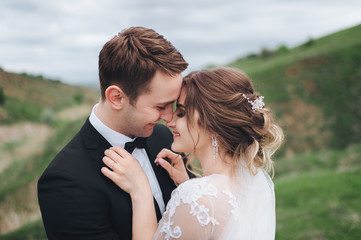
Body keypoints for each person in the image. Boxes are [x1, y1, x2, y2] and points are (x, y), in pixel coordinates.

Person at [37, 26, 188, 240]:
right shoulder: (64, 182)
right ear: (116, 97)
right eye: (160, 106)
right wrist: (141, 193)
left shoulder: (165, 138)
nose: (169, 117)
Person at [102, 67, 284, 240]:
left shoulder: (197, 197)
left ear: (211, 121)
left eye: (181, 113)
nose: (169, 121)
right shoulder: (255, 183)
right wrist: (188, 185)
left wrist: (140, 190)